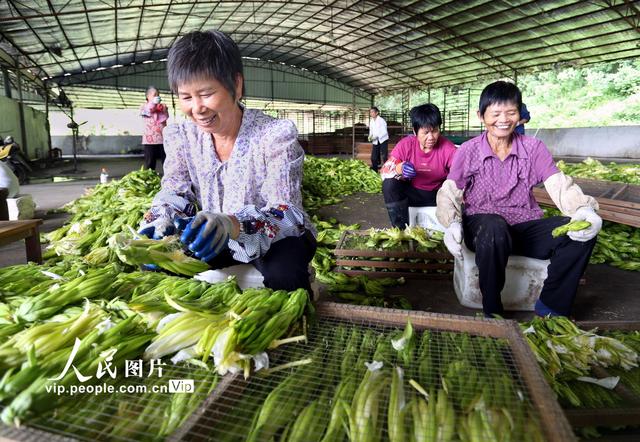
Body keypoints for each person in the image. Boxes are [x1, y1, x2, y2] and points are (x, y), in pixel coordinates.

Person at [138, 30, 316, 293]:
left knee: (285, 273)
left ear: (237, 85)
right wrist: (159, 221)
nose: (197, 108)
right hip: (215, 238)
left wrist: (232, 224)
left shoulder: (275, 135)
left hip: (274, 235)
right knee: (162, 262)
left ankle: (294, 329)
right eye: (186, 97)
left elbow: (286, 211)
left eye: (207, 93)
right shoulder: (183, 137)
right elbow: (175, 191)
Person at [436, 80, 601, 318]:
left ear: (520, 115)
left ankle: (551, 308)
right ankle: (492, 311)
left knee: (581, 230)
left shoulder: (533, 148)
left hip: (524, 227)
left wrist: (583, 209)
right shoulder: (468, 150)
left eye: (511, 112)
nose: (503, 119)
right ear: (481, 116)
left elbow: (557, 182)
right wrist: (451, 222)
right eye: (495, 113)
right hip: (484, 231)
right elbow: (449, 190)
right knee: (494, 226)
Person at [380, 104, 457, 228]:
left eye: (435, 131)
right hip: (411, 194)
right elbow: (384, 171)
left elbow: (460, 175)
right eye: (425, 132)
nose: (431, 137)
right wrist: (400, 168)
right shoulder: (406, 145)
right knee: (389, 184)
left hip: (437, 196)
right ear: (415, 131)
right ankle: (400, 229)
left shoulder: (448, 148)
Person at [140, 86, 169, 171]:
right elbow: (147, 111)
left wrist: (158, 107)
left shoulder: (163, 106)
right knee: (150, 163)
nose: (157, 96)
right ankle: (149, 179)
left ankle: (168, 179)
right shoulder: (143, 106)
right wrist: (153, 104)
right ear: (148, 96)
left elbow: (166, 116)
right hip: (150, 140)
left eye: (158, 95)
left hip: (162, 139)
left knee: (166, 162)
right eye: (154, 95)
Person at [368, 106, 389, 171]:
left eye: (372, 112)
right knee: (373, 157)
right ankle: (375, 170)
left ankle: (387, 170)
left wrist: (377, 136)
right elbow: (371, 130)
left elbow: (384, 132)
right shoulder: (371, 121)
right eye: (370, 112)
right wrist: (370, 136)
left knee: (384, 156)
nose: (371, 113)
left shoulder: (381, 120)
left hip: (383, 140)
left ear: (376, 113)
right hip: (375, 140)